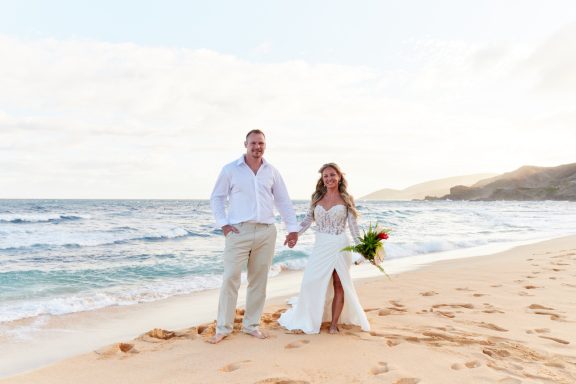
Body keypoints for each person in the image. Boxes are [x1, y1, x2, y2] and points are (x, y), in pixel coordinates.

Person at [208, 130, 299, 344]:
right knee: (230, 277)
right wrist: (223, 225)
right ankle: (223, 328)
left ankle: (251, 325)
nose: (257, 147)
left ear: (265, 145)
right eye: (253, 143)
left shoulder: (272, 172)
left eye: (261, 143)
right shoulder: (230, 170)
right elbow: (217, 198)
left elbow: (283, 201)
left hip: (267, 231)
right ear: (245, 144)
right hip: (238, 231)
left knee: (259, 280)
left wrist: (292, 228)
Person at [278, 163, 370, 334]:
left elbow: (353, 227)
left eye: (332, 175)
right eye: (325, 176)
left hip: (340, 245)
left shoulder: (346, 199)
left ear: (339, 176)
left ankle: (334, 324)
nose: (329, 178)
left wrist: (363, 247)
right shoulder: (317, 198)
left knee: (339, 283)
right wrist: (294, 234)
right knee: (310, 282)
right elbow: (306, 221)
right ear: (322, 179)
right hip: (321, 246)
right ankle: (311, 317)